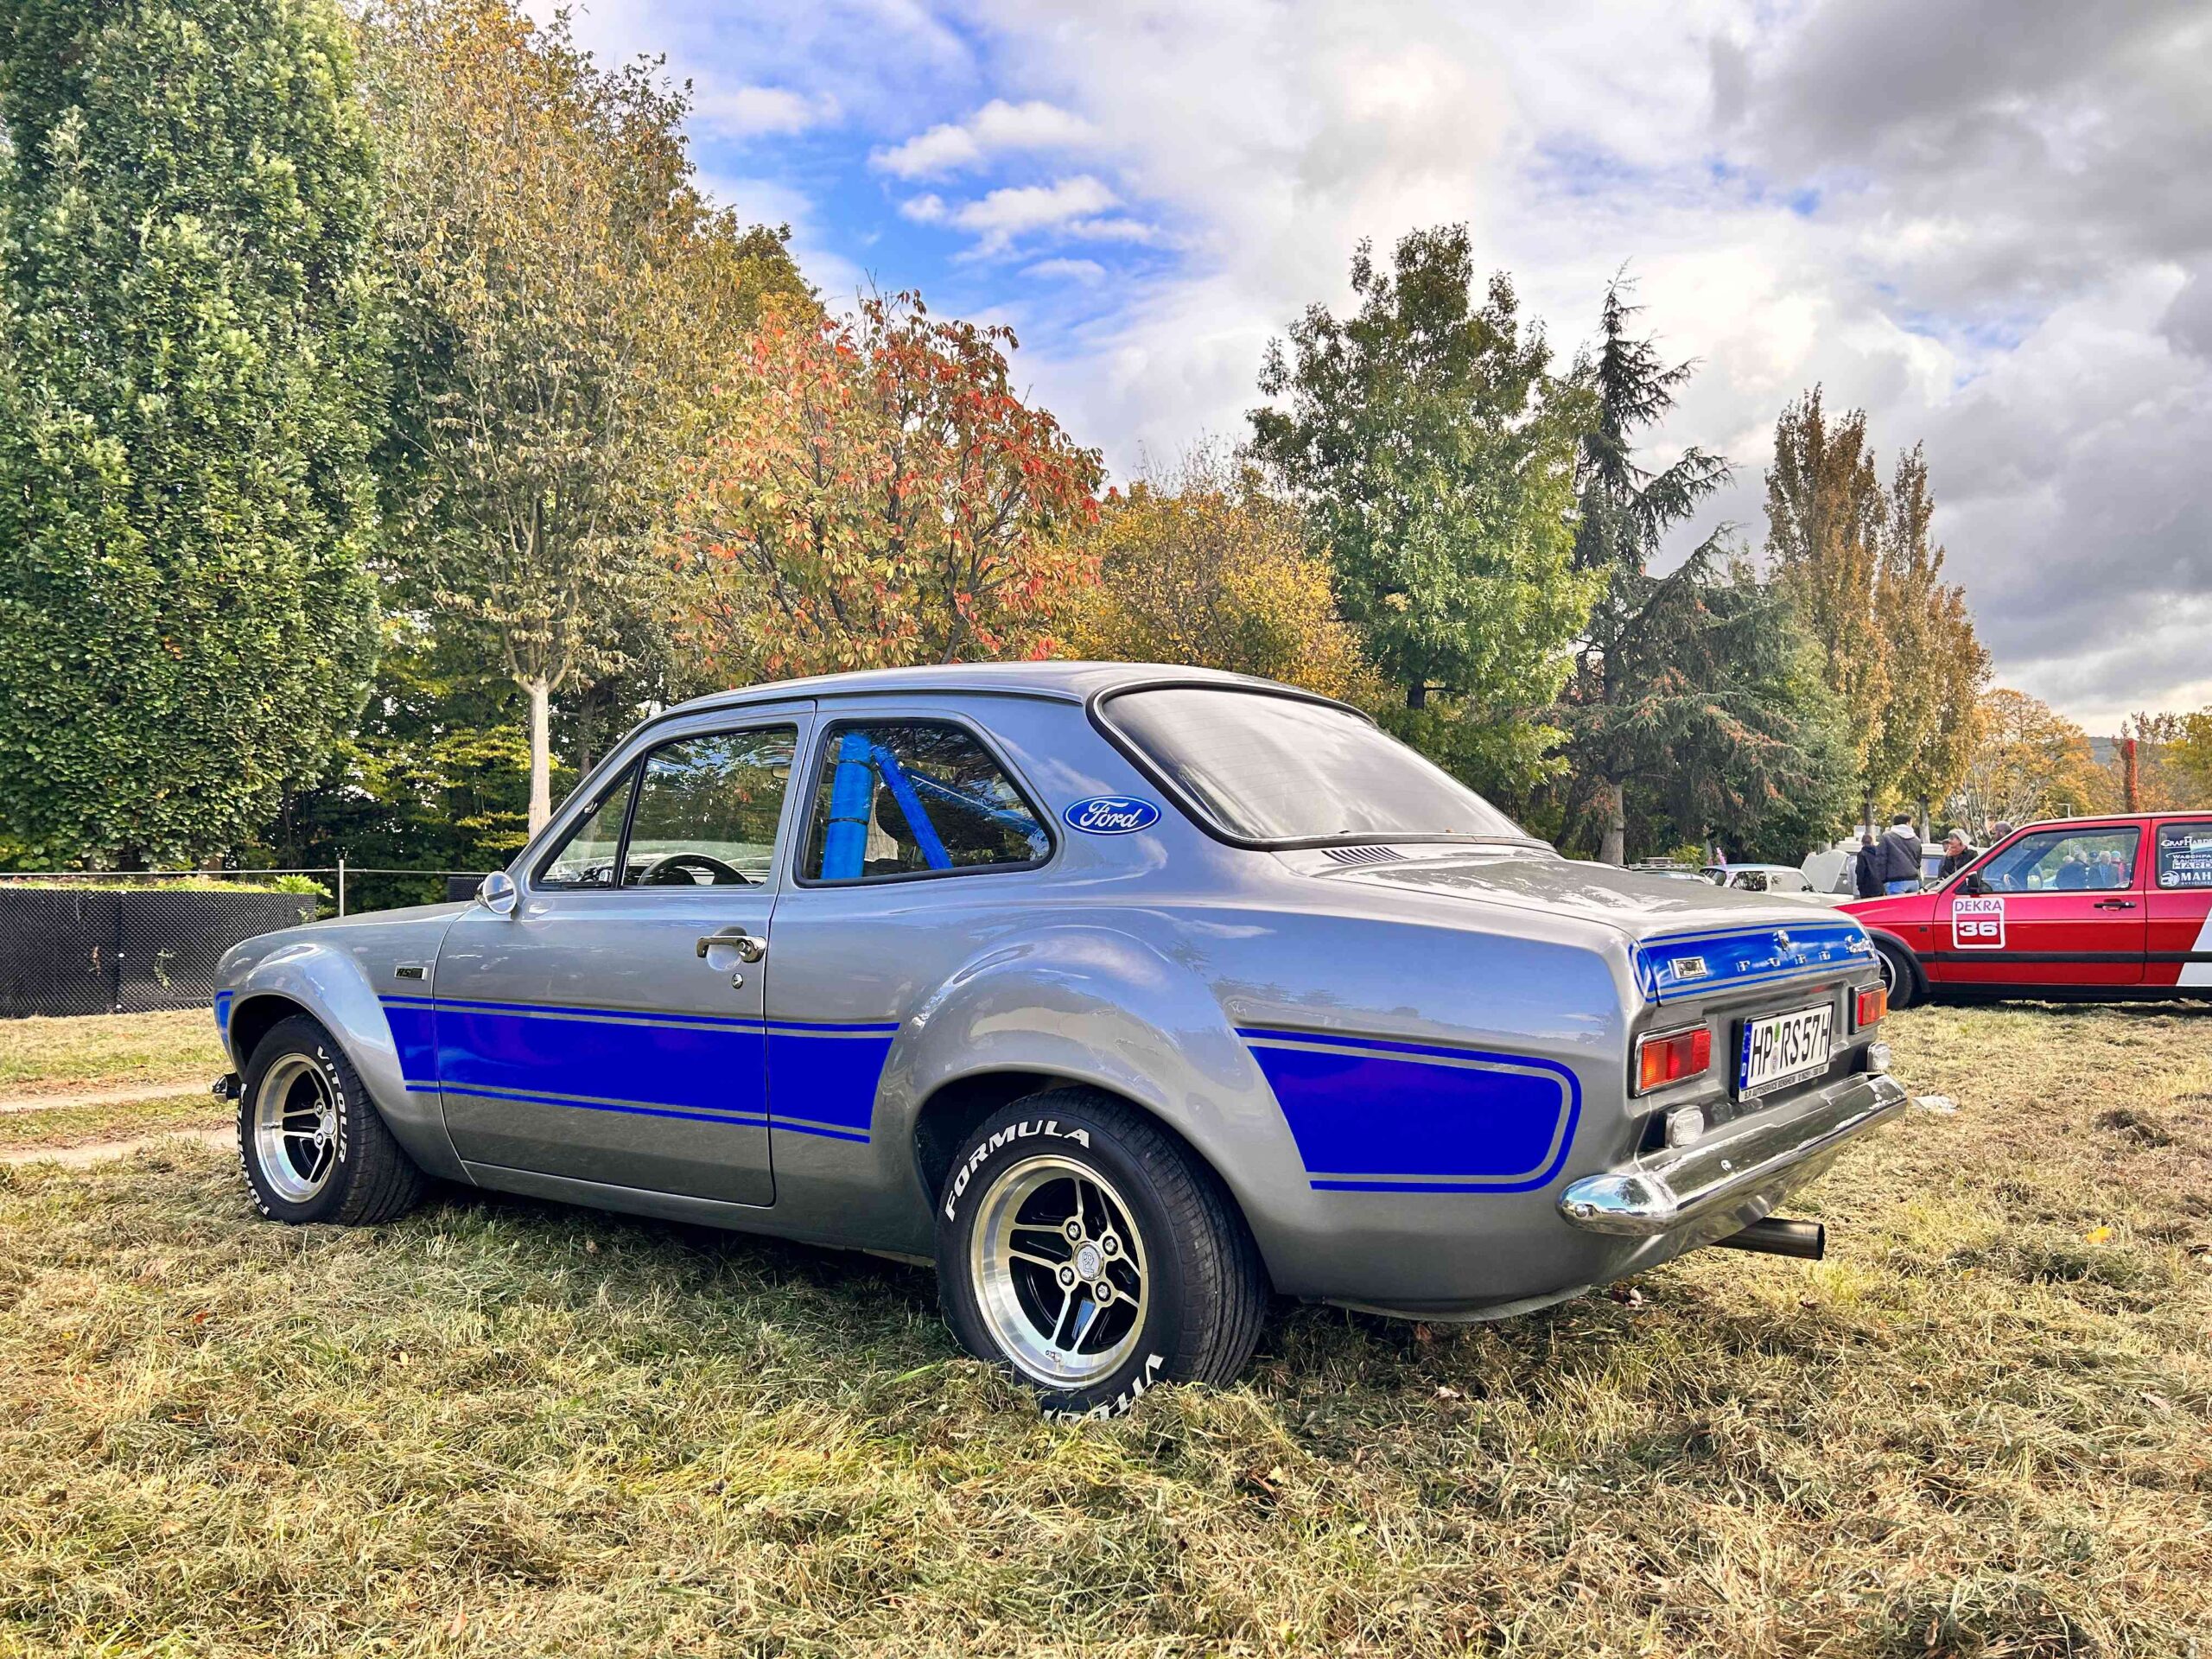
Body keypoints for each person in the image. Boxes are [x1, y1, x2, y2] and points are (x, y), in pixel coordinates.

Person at [1878, 813, 1923, 895]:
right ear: (1908, 823)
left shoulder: (1886, 837)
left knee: (1895, 903)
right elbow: (1918, 862)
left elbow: (1881, 860)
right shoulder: (1917, 840)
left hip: (1895, 881)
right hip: (1913, 880)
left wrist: (1883, 880)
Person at [1854, 830, 1884, 899]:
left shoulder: (1862, 854)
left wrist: (1859, 885)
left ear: (1862, 843)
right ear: (1872, 842)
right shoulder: (1879, 853)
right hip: (1880, 886)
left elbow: (1860, 871)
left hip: (1867, 887)